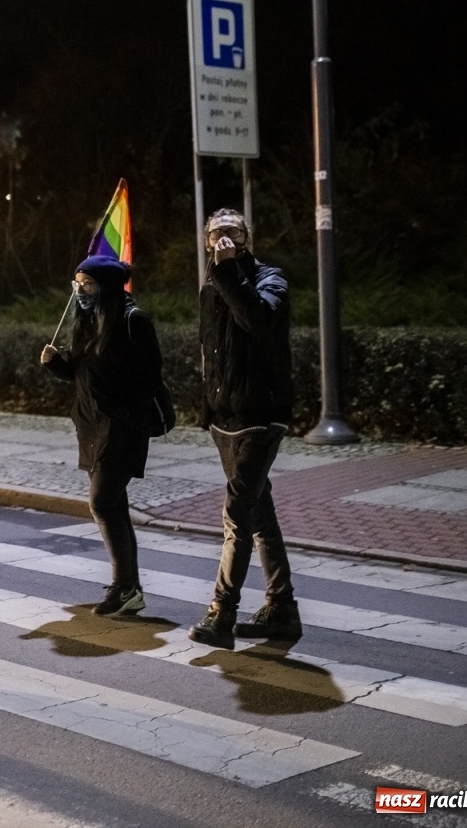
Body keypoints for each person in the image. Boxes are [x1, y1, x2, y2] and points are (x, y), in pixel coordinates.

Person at [187, 208, 302, 650]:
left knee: (236, 513)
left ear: (246, 238)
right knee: (259, 514)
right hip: (226, 419)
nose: (223, 240)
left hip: (261, 414)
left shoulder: (269, 279)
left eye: (232, 232)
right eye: (215, 234)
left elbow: (257, 321)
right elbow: (212, 354)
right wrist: (209, 410)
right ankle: (282, 609)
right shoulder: (211, 287)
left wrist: (230, 271)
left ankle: (222, 612)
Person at [40, 255, 162, 617]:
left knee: (102, 502)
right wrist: (57, 366)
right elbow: (83, 375)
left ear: (107, 286)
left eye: (87, 285)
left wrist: (123, 409)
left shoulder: (132, 322)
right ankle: (129, 588)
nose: (80, 292)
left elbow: (150, 379)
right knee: (115, 505)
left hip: (122, 427)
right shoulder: (87, 320)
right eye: (77, 284)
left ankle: (124, 586)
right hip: (91, 425)